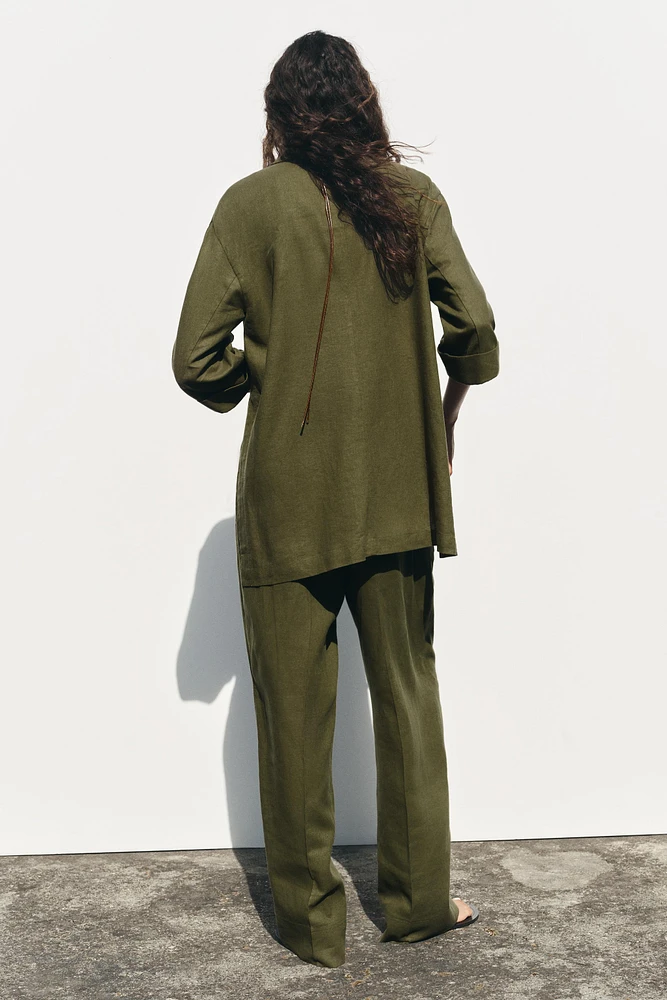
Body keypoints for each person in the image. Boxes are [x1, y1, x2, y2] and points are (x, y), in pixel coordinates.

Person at [171, 30, 499, 969]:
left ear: (278, 117)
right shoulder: (409, 198)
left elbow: (195, 359)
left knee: (291, 713)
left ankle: (313, 931)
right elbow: (475, 330)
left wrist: (261, 387)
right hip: (398, 492)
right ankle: (420, 905)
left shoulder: (248, 206)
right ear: (362, 107)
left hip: (288, 500)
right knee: (407, 695)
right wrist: (445, 410)